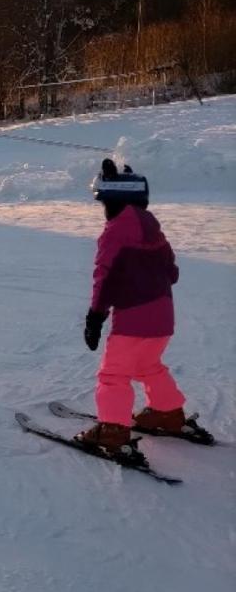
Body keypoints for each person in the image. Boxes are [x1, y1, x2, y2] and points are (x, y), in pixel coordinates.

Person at [76, 158, 189, 452]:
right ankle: (168, 412)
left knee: (113, 374)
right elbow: (172, 272)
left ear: (115, 202)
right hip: (163, 318)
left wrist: (95, 317)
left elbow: (105, 278)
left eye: (105, 204)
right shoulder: (155, 230)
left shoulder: (114, 233)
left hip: (133, 321)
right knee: (148, 365)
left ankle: (113, 430)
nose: (104, 211)